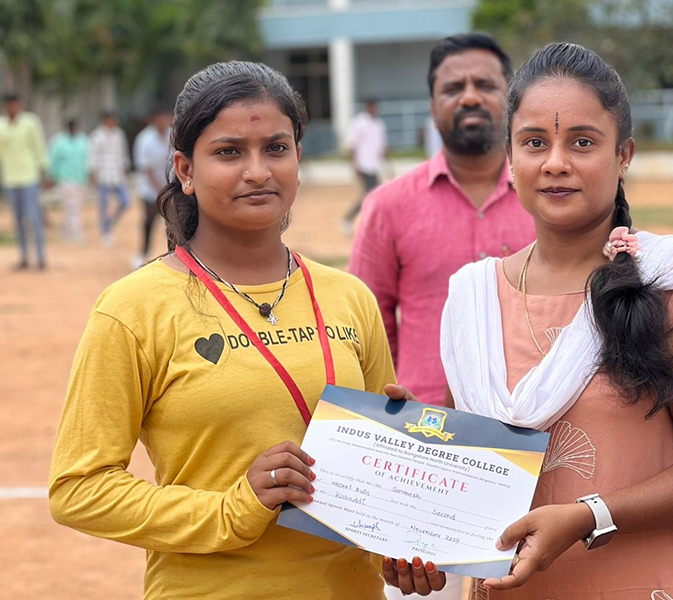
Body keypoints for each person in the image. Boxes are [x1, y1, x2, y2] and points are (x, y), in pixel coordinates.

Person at [432, 43, 673, 600]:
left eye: (582, 141)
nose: (555, 162)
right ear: (509, 158)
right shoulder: (473, 301)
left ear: (623, 155)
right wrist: (410, 451)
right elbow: (473, 480)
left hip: (669, 583)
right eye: (534, 142)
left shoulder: (667, 283)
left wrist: (587, 516)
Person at [49, 61, 410, 600]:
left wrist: (409, 528)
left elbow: (383, 487)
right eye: (228, 151)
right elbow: (79, 490)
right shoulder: (132, 308)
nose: (258, 171)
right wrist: (232, 508)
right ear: (184, 170)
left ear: (298, 158)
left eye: (276, 148)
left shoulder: (349, 297)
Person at [350, 33, 536, 409]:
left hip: (537, 424)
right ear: (433, 108)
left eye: (485, 85)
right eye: (453, 88)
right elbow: (366, 327)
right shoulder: (388, 206)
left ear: (512, 102)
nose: (470, 97)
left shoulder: (550, 198)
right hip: (424, 427)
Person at [0, 93, 49, 269]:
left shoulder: (30, 122)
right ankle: (24, 258)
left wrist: (44, 171)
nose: (12, 108)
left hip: (29, 176)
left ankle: (41, 257)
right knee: (18, 219)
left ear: (19, 105)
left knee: (34, 217)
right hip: (10, 179)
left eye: (15, 104)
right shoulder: (2, 126)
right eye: (9, 105)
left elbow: (39, 146)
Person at [132, 107, 172, 267]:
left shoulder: (173, 134)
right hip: (150, 189)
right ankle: (143, 254)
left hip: (171, 187)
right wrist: (160, 190)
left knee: (174, 224)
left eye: (165, 118)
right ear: (153, 120)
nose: (163, 122)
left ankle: (174, 256)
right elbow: (146, 169)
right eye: (159, 119)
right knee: (149, 222)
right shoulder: (144, 139)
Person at [341, 99, 387, 230]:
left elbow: (382, 146)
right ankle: (349, 218)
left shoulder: (379, 124)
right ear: (367, 107)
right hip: (364, 164)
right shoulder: (360, 123)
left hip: (374, 165)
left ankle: (372, 222)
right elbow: (352, 145)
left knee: (374, 194)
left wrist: (386, 164)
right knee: (370, 194)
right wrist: (354, 164)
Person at [89, 111, 131, 245]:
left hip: (117, 174)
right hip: (103, 175)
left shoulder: (119, 134)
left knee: (125, 201)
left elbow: (123, 152)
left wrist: (126, 166)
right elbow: (92, 155)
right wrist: (93, 172)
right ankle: (105, 232)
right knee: (104, 206)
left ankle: (109, 223)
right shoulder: (97, 136)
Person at [49, 119, 90, 243]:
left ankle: (66, 231)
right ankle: (75, 233)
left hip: (80, 179)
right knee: (72, 206)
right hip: (66, 179)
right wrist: (52, 176)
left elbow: (88, 160)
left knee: (73, 207)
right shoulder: (59, 142)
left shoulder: (83, 141)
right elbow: (53, 161)